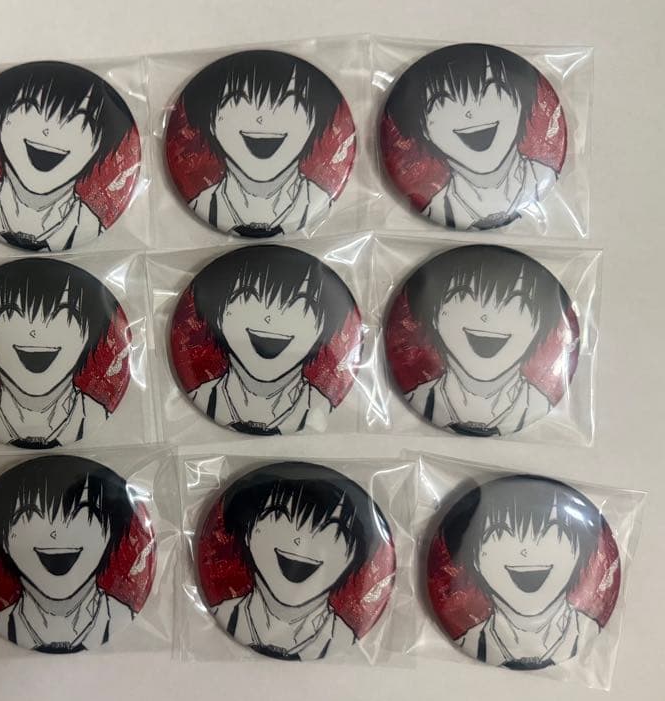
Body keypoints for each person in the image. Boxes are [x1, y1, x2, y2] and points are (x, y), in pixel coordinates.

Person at [212, 462, 388, 660]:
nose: (301, 541)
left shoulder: (344, 640)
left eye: (333, 527)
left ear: (354, 555)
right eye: (280, 514)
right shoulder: (220, 616)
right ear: (247, 532)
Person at [0, 61, 134, 251]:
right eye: (29, 107)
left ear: (99, 145)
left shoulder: (90, 228)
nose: (49, 131)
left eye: (79, 118)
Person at [385, 44, 557, 230]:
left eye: (491, 89)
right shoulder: (435, 209)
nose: (470, 112)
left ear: (520, 103)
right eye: (442, 100)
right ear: (424, 129)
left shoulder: (545, 177)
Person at [188, 245, 356, 435]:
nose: (271, 318)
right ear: (218, 316)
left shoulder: (322, 407)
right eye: (248, 295)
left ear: (323, 328)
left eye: (301, 301)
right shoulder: (199, 396)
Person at [402, 245, 568, 436]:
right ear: (434, 315)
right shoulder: (417, 400)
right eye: (463, 294)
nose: (487, 316)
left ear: (540, 323)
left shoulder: (542, 406)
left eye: (516, 299)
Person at [0, 456, 135, 652]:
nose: (56, 533)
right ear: (3, 538)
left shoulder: (123, 618)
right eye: (30, 512)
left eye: (82, 510)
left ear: (110, 533)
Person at [442, 476, 603, 669]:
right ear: (474, 558)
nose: (526, 551)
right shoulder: (467, 641)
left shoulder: (590, 632)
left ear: (579, 551)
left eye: (552, 530)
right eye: (500, 531)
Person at [0, 259, 118, 448]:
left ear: (89, 334)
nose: (36, 332)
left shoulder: (98, 417)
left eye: (63, 311)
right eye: (10, 311)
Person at [180, 50, 343, 237]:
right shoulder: (201, 204)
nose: (262, 118)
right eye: (238, 99)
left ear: (314, 121)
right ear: (211, 121)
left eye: (289, 100)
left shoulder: (320, 202)